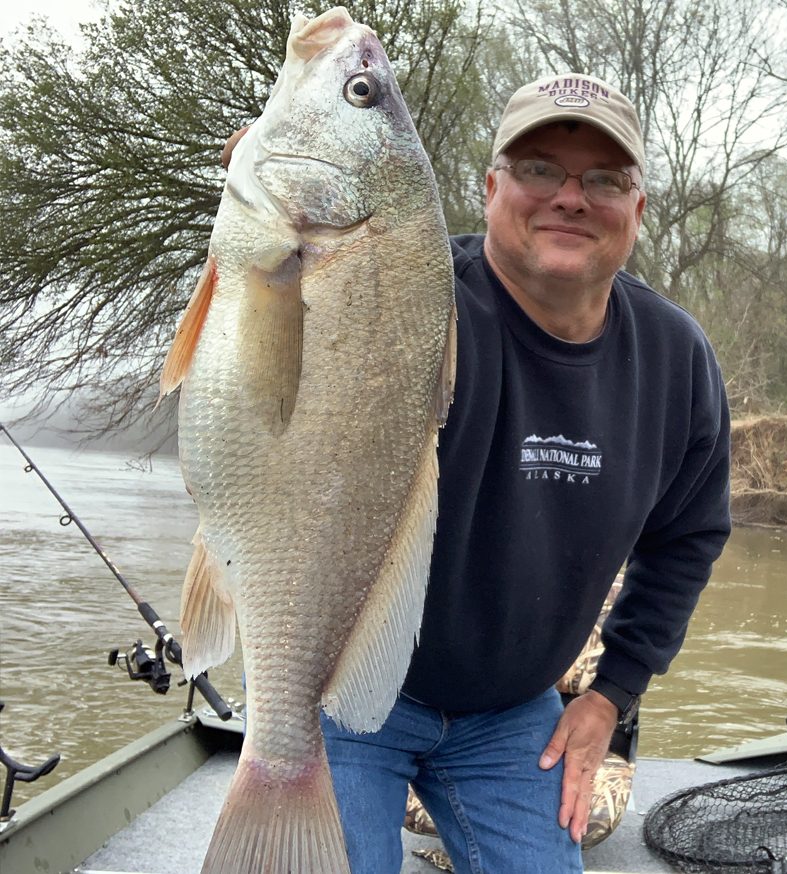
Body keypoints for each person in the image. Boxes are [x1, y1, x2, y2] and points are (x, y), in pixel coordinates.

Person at [228, 71, 731, 873]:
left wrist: (611, 695)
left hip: (511, 714)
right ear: (490, 185)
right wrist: (275, 232)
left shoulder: (678, 360)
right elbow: (274, 363)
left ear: (637, 209)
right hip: (343, 689)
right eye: (538, 169)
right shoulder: (402, 296)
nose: (570, 197)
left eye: (604, 179)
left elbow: (690, 537)